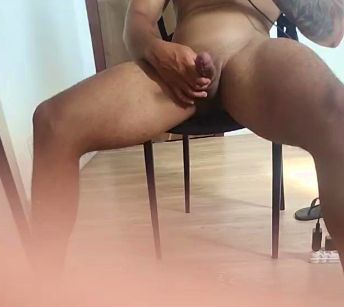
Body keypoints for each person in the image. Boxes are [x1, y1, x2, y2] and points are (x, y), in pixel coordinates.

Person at [31, 0, 344, 268]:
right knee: (53, 123)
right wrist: (157, 51)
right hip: (177, 71)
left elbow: (332, 31)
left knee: (339, 115)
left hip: (252, 58)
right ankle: (44, 298)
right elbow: (138, 19)